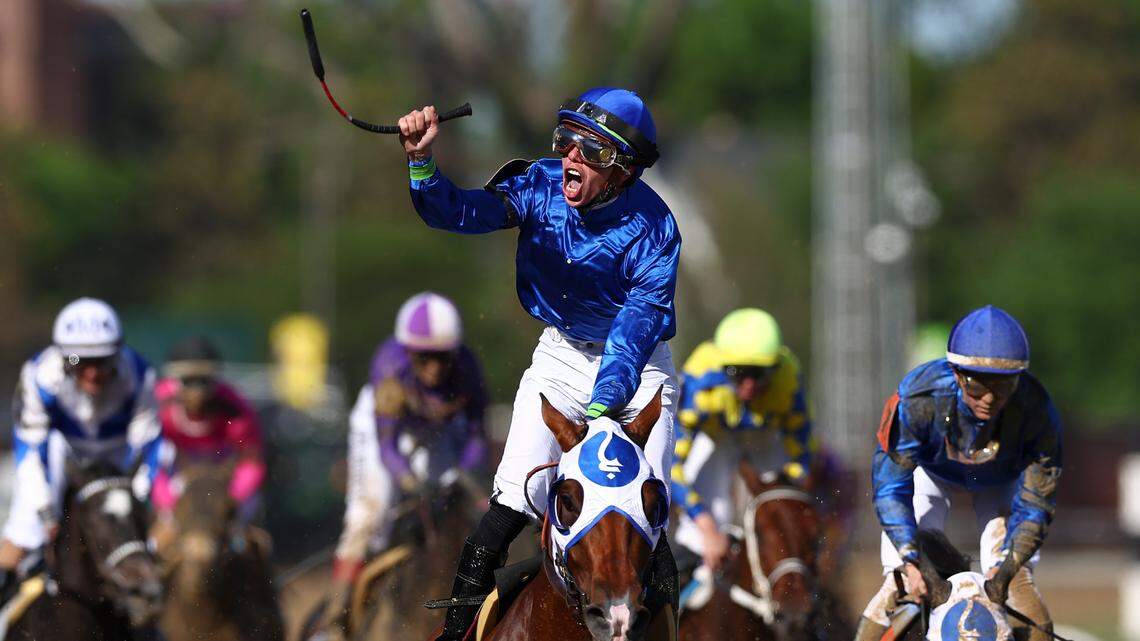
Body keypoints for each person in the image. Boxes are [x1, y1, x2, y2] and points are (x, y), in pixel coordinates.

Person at [397, 86, 681, 640]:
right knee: (503, 519)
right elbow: (459, 213)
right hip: (560, 358)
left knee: (650, 528)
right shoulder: (538, 185)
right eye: (567, 140)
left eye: (590, 151)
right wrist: (421, 163)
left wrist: (603, 409)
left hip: (639, 369)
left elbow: (634, 329)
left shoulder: (657, 228)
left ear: (623, 170)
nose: (571, 157)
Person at [855, 306, 1061, 641]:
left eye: (1004, 387)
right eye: (978, 386)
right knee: (899, 586)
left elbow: (1036, 502)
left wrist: (1007, 569)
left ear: (1018, 381)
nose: (990, 400)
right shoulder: (916, 399)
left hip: (1001, 482)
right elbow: (891, 487)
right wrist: (908, 561)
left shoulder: (1037, 410)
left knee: (1023, 593)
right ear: (955, 373)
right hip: (930, 472)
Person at [321, 292, 488, 637]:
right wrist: (408, 482)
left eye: (443, 358)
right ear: (409, 351)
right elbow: (388, 446)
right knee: (371, 515)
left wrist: (465, 476)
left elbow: (474, 436)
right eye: (425, 358)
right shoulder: (389, 368)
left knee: (467, 508)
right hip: (387, 430)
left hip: (437, 432)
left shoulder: (469, 370)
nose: (435, 368)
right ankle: (336, 618)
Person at [0, 298, 161, 587]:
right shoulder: (39, 376)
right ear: (64, 357)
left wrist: (137, 500)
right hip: (60, 456)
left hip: (116, 459)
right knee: (23, 534)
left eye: (102, 361)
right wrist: (45, 511)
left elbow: (147, 447)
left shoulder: (139, 375)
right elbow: (31, 452)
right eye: (80, 361)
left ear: (118, 354)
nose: (92, 372)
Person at [670, 308, 817, 573]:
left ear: (776, 367)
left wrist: (790, 484)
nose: (748, 384)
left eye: (759, 374)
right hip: (716, 438)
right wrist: (705, 525)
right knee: (712, 515)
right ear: (721, 365)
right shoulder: (698, 379)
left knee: (780, 504)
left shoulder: (789, 379)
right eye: (737, 372)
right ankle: (696, 570)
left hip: (764, 436)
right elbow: (672, 463)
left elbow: (802, 451)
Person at [150, 336, 266, 541]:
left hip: (223, 480)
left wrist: (233, 498)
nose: (197, 392)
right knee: (161, 538)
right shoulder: (159, 406)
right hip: (178, 479)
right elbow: (152, 463)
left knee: (246, 540)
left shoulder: (234, 410)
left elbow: (251, 462)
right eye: (188, 382)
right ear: (174, 381)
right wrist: (168, 503)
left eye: (204, 382)